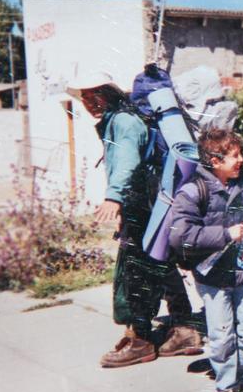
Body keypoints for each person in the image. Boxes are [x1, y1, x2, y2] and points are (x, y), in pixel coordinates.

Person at [66, 72, 202, 368]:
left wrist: (114, 197)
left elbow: (127, 160)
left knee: (136, 271)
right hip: (151, 203)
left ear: (109, 92)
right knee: (159, 263)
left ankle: (140, 339)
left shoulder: (124, 121)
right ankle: (185, 330)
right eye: (85, 97)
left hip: (142, 204)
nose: (89, 102)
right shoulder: (125, 117)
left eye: (94, 95)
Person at [169, 129, 243, 392]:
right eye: (235, 156)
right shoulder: (194, 191)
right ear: (215, 161)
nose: (241, 160)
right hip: (212, 278)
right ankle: (226, 386)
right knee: (221, 335)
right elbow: (180, 235)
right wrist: (224, 234)